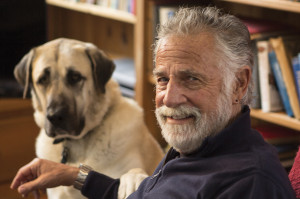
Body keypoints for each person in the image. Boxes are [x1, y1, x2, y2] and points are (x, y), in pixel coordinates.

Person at [11, 6, 296, 199]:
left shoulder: (250, 183)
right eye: (162, 79)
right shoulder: (196, 144)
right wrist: (72, 175)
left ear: (240, 83)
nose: (169, 99)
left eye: (191, 79)